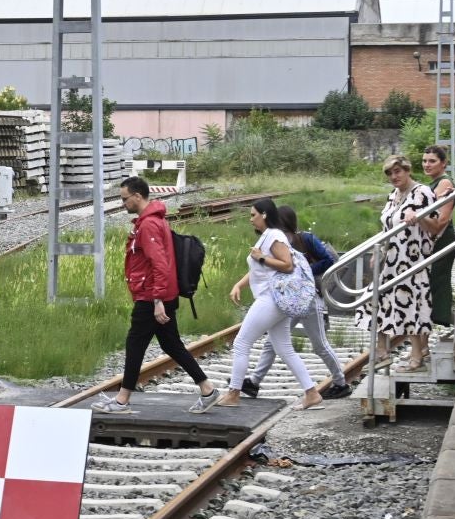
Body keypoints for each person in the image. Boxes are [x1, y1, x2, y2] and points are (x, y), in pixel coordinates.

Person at [95, 177, 213, 414]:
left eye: (124, 199)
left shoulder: (148, 225)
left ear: (138, 196)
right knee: (171, 344)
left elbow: (159, 263)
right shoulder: (154, 221)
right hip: (159, 294)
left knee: (135, 343)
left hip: (151, 296)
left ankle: (122, 400)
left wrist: (158, 300)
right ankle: (208, 389)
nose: (122, 203)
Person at [213, 199, 322, 412]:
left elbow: (287, 265)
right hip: (274, 299)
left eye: (253, 214)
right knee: (284, 348)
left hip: (271, 298)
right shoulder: (268, 236)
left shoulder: (274, 235)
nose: (250, 219)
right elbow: (259, 268)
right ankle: (312, 393)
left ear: (264, 214)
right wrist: (239, 284)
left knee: (241, 343)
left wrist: (262, 258)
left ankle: (234, 393)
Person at [243, 206, 350, 400]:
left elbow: (328, 260)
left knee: (320, 345)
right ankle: (254, 381)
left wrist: (304, 269)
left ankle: (341, 382)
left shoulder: (304, 239)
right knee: (272, 342)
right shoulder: (275, 242)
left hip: (308, 300)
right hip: (286, 301)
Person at [369, 154, 435, 373]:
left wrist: (419, 216)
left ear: (407, 170)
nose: (393, 176)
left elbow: (435, 227)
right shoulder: (393, 195)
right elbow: (387, 227)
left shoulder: (422, 192)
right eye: (389, 173)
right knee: (373, 299)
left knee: (410, 304)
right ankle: (382, 351)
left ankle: (417, 357)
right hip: (391, 258)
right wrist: (378, 250)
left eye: (397, 171)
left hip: (412, 258)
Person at [420, 144, 455, 327]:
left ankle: (441, 319)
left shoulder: (444, 183)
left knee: (438, 281)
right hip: (433, 238)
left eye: (432, 161)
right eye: (424, 161)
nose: (427, 165)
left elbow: (442, 219)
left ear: (443, 163)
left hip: (442, 238)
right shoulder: (432, 183)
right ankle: (442, 319)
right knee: (432, 281)